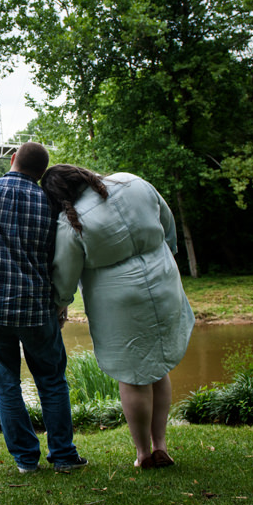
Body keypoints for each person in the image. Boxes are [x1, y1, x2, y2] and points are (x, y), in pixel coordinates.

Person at [40, 164, 195, 469]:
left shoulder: (70, 221)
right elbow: (166, 219)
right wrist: (171, 249)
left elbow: (65, 275)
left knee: (133, 376)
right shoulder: (132, 181)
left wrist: (60, 304)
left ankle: (143, 453)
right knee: (158, 367)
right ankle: (161, 445)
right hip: (162, 280)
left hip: (118, 300)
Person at [0, 142, 88, 475]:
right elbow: (58, 259)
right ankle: (64, 457)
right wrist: (61, 304)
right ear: (42, 171)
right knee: (52, 382)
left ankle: (26, 460)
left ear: (12, 159)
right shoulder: (51, 203)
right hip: (38, 309)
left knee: (6, 384)